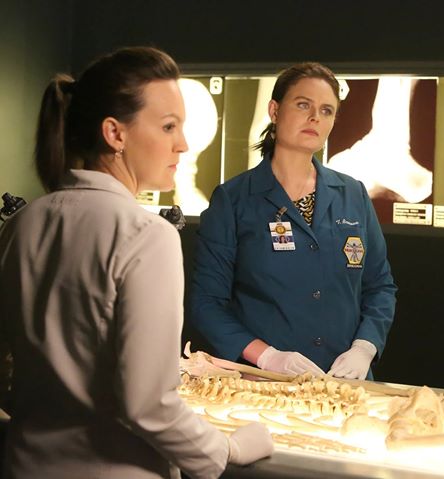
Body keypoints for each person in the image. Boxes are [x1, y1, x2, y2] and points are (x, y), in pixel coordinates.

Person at [0, 47, 273, 479]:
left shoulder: (21, 224)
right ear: (115, 133)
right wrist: (227, 449)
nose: (183, 144)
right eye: (168, 126)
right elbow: (149, 405)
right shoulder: (147, 235)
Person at [190, 62, 397, 381]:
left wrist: (365, 347)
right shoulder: (234, 200)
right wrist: (266, 356)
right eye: (303, 105)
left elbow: (380, 286)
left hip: (344, 383)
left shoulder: (352, 194)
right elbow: (207, 303)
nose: (315, 117)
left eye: (326, 110)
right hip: (265, 384)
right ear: (274, 110)